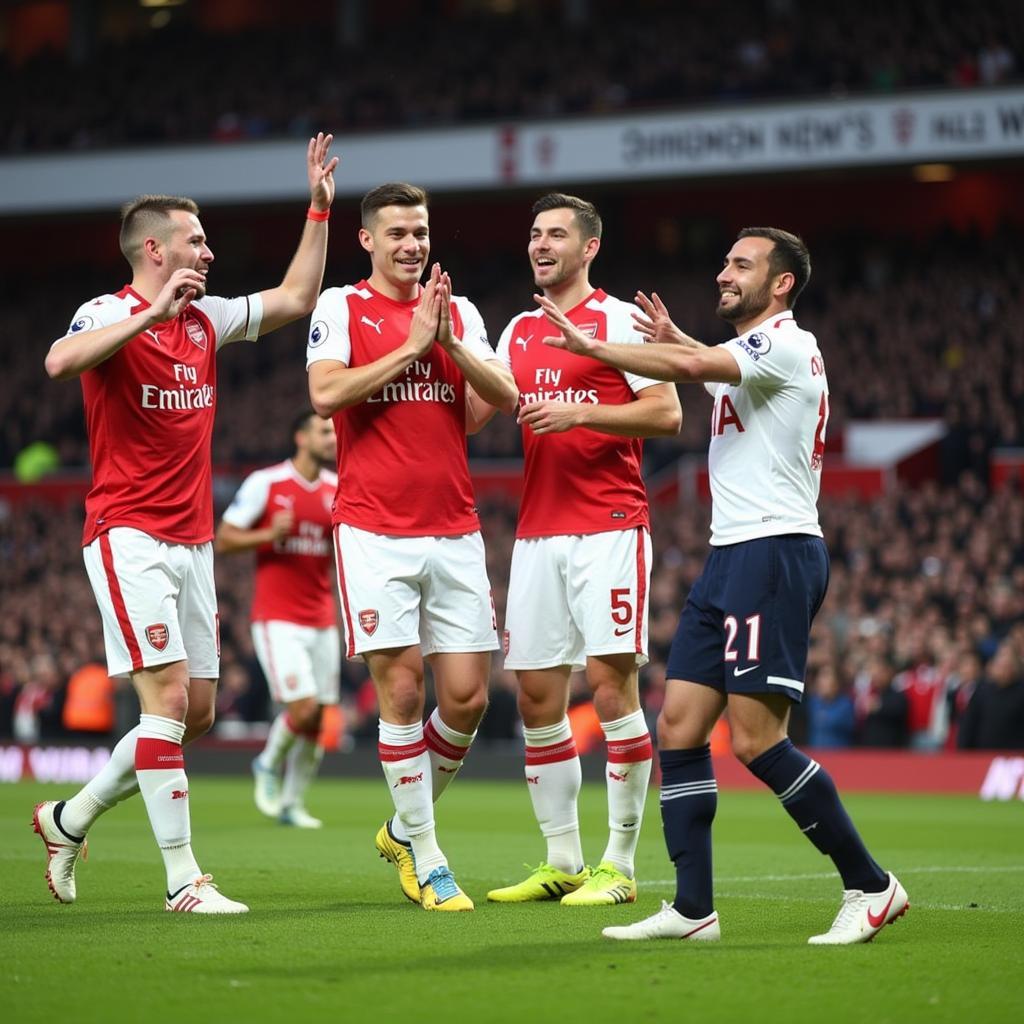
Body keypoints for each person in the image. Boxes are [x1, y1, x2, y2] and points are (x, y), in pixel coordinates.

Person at [539, 227, 909, 944]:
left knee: (756, 739)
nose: (723, 273)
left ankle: (870, 885)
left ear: (781, 285)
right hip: (729, 554)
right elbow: (704, 366)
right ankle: (692, 907)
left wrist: (595, 350)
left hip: (773, 550)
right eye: (726, 261)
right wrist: (677, 339)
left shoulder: (787, 344)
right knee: (677, 726)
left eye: (742, 265)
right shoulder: (752, 353)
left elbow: (697, 365)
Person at [34, 134, 338, 914]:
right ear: (152, 248)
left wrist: (318, 208)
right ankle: (183, 880)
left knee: (195, 713)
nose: (207, 251)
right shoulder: (110, 310)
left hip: (192, 540)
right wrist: (147, 319)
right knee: (165, 701)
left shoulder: (207, 319)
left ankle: (68, 818)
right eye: (194, 240)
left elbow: (296, 298)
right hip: (126, 531)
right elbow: (60, 364)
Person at [306, 182, 518, 911]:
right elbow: (327, 396)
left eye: (421, 231)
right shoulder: (341, 307)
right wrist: (412, 347)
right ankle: (428, 859)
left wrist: (451, 342)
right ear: (366, 239)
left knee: (467, 698)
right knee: (401, 691)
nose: (413, 244)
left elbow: (499, 400)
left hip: (454, 524)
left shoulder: (458, 312)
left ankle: (402, 825)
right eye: (397, 232)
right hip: (371, 527)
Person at [485, 194, 681, 907]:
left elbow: (667, 411)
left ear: (589, 247)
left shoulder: (621, 320)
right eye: (535, 232)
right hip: (537, 533)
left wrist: (583, 412)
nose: (541, 244)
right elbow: (483, 409)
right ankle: (562, 861)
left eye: (557, 234)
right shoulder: (518, 327)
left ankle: (620, 867)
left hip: (609, 525)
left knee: (608, 685)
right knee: (538, 695)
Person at [215, 411, 339, 828]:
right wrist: (268, 535)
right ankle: (266, 764)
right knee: (302, 709)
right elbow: (225, 537)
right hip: (278, 617)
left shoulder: (336, 489)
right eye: (324, 431)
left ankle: (292, 803)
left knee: (318, 717)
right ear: (300, 437)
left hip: (322, 616)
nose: (332, 438)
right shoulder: (266, 483)